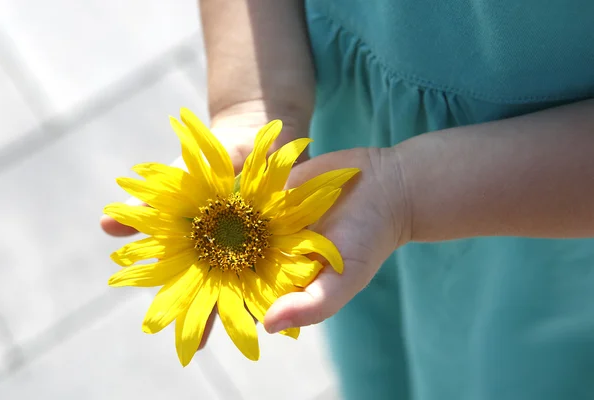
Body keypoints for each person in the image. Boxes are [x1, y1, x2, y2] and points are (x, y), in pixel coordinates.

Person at [101, 1, 594, 399]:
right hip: (353, 143)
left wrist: (408, 194)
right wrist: (251, 103)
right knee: (377, 341)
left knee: (497, 369)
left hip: (533, 197)